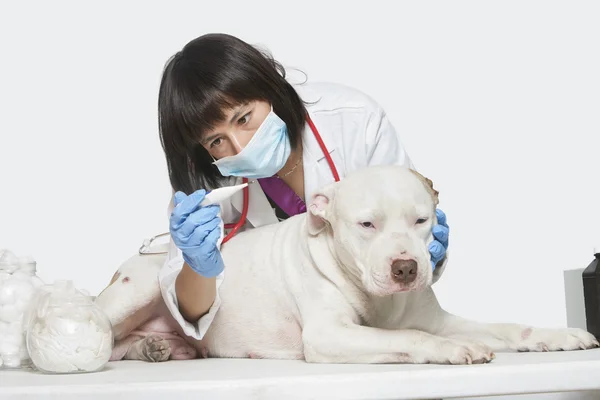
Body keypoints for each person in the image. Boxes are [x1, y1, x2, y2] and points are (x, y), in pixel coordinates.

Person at [156, 33, 450, 340]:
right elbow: (192, 313)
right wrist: (198, 266)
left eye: (244, 118)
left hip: (378, 325)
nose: (240, 146)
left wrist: (429, 251)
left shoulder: (353, 122)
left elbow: (408, 240)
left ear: (269, 85)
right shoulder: (203, 185)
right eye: (216, 141)